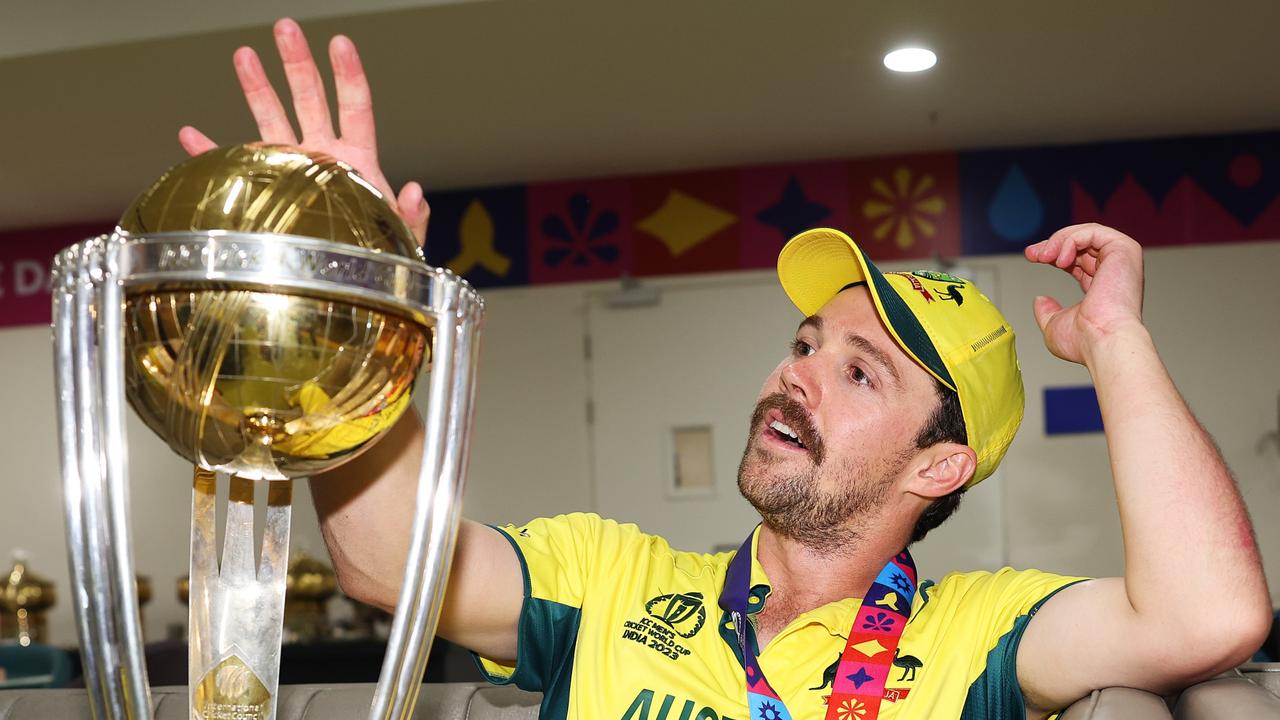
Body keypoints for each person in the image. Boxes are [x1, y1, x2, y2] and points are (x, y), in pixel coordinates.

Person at [179, 18, 1272, 720]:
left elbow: (1208, 618)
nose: (796, 373)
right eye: (803, 344)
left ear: (940, 469)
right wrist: (353, 303)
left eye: (859, 374)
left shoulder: (978, 638)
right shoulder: (607, 577)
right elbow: (381, 563)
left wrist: (1115, 345)